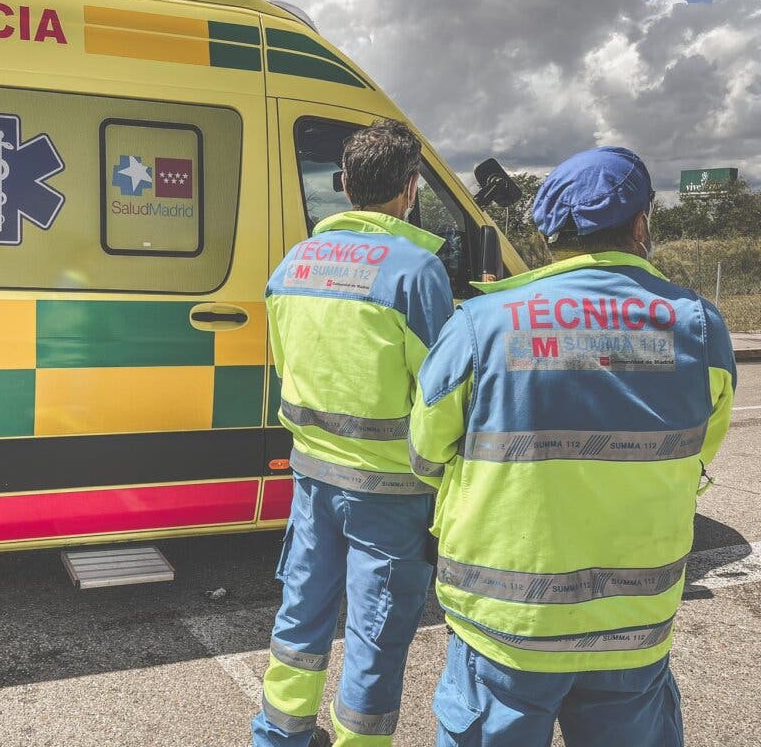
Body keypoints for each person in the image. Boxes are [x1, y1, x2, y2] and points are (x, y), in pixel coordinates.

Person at [409, 146, 737, 747]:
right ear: (640, 226)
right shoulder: (700, 328)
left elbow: (426, 452)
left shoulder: (483, 326)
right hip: (632, 626)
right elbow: (699, 448)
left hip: (507, 623)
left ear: (549, 234)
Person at [254, 119, 454, 747]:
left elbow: (287, 366)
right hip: (393, 490)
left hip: (312, 478)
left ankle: (277, 735)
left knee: (301, 615)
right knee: (374, 633)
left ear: (343, 186)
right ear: (412, 187)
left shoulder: (293, 264)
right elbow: (441, 391)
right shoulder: (416, 272)